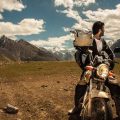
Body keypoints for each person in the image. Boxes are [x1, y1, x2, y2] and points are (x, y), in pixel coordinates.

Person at [68, 21, 120, 118]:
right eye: (103, 28)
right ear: (100, 30)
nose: (104, 30)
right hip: (91, 67)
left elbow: (110, 52)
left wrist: (110, 61)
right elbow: (84, 52)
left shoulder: (103, 41)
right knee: (82, 83)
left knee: (114, 83)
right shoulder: (88, 40)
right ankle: (77, 106)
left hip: (102, 68)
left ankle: (119, 108)